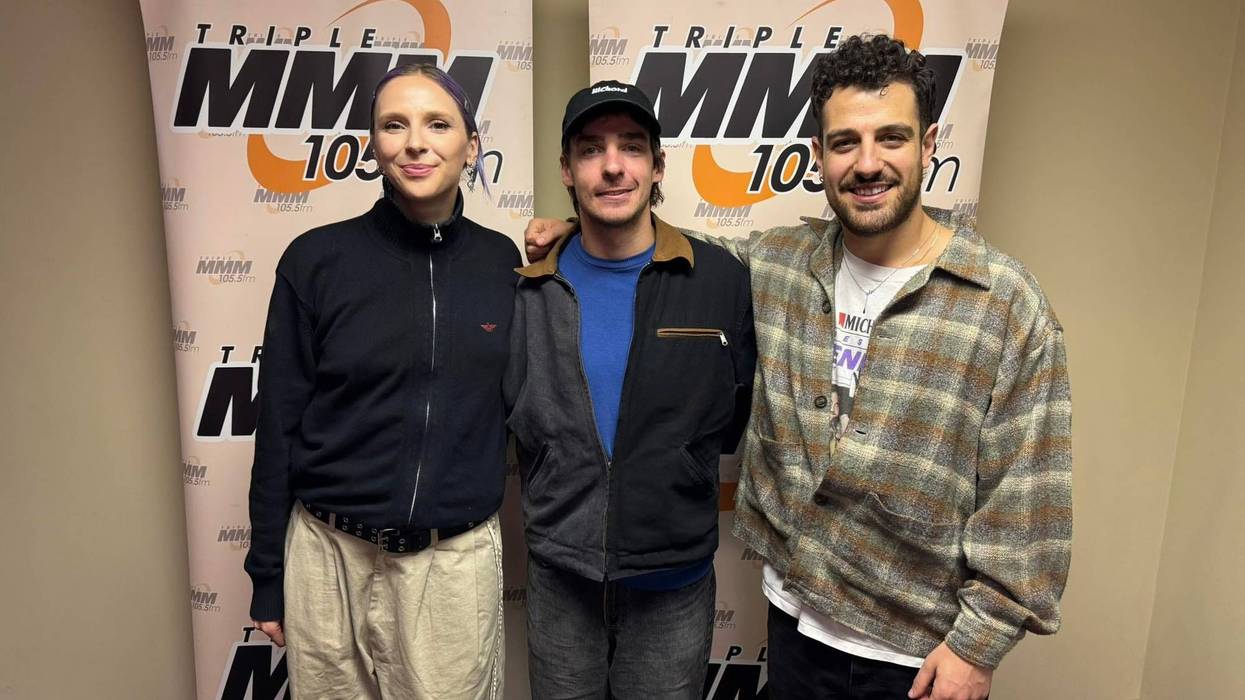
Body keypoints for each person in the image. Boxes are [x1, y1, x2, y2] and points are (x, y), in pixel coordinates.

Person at [526, 35, 1072, 700]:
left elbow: (1028, 501)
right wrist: (571, 230)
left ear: (928, 145)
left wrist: (976, 647)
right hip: (794, 623)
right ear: (819, 155)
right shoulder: (779, 265)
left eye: (891, 138)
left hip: (919, 652)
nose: (866, 163)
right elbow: (652, 249)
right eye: (844, 143)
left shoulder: (1004, 303)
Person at [245, 64, 518, 700]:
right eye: (395, 125)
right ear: (374, 145)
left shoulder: (503, 263)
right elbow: (278, 424)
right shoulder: (315, 260)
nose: (415, 143)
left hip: (451, 564)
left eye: (438, 124)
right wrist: (267, 574)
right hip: (327, 554)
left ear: (472, 146)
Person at [504, 80, 756, 699]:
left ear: (658, 165)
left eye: (632, 146)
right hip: (561, 572)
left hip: (673, 578)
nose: (613, 165)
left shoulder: (719, 279)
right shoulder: (529, 288)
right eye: (591, 149)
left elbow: (736, 412)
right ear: (567, 170)